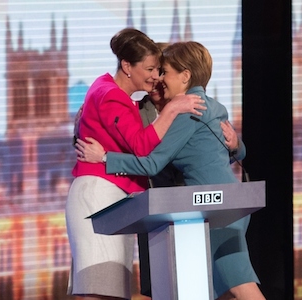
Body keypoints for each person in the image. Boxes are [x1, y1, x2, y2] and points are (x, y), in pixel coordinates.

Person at [76, 41, 264, 300]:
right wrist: (237, 147)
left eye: (164, 71)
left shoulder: (187, 111)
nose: (159, 78)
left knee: (237, 282)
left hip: (211, 207)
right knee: (220, 284)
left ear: (185, 75)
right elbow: (220, 150)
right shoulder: (209, 104)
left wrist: (106, 158)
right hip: (211, 206)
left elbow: (152, 162)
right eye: (156, 71)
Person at [66, 28, 206, 300]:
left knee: (107, 290)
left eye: (159, 70)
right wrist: (174, 108)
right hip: (99, 200)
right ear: (127, 66)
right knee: (100, 290)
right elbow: (142, 146)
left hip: (114, 201)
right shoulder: (111, 95)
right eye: (151, 69)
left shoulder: (110, 91)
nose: (155, 76)